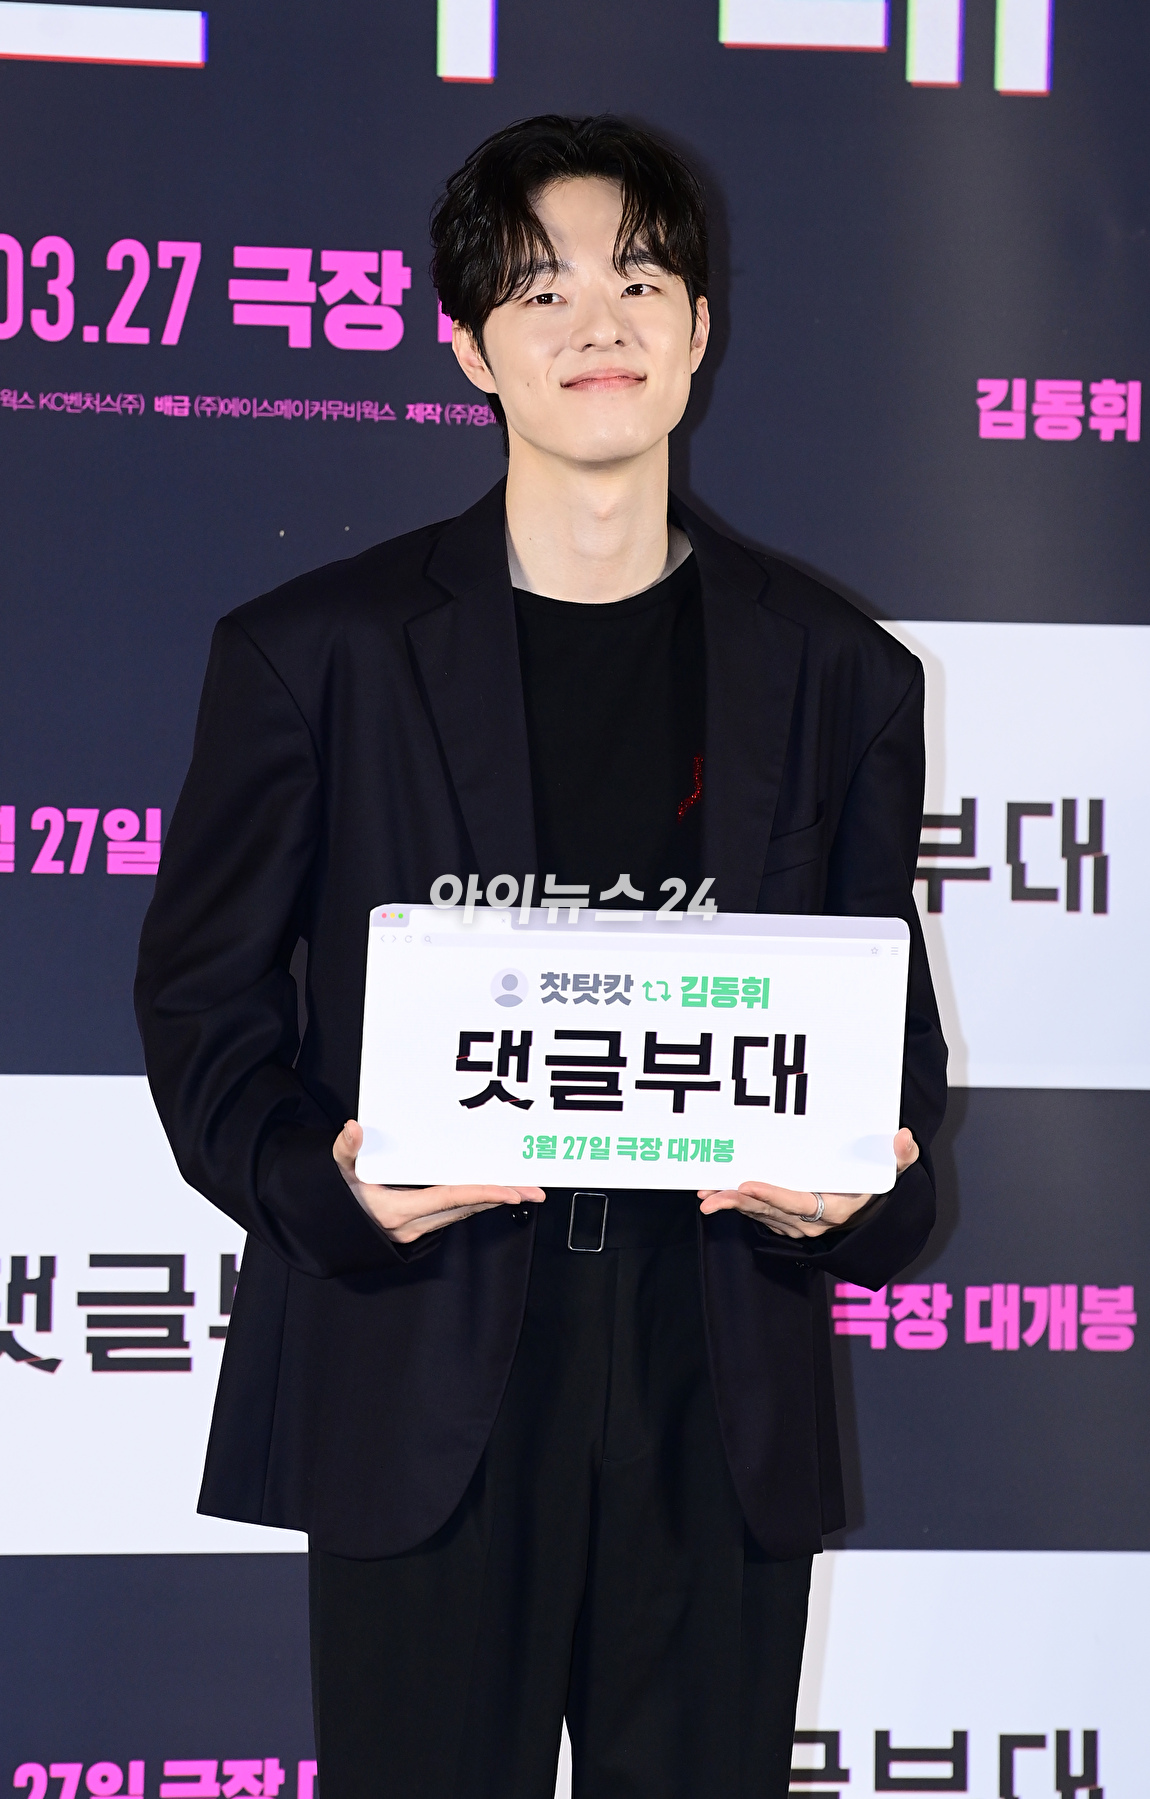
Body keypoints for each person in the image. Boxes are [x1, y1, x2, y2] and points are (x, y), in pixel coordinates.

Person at [136, 114, 946, 1799]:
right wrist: (319, 1189)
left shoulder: (835, 672)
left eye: (639, 281)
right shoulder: (316, 655)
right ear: (467, 346)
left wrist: (861, 1193)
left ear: (699, 328)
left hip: (713, 1373)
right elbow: (202, 1000)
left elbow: (891, 1057)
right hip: (421, 1355)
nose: (598, 324)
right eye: (541, 288)